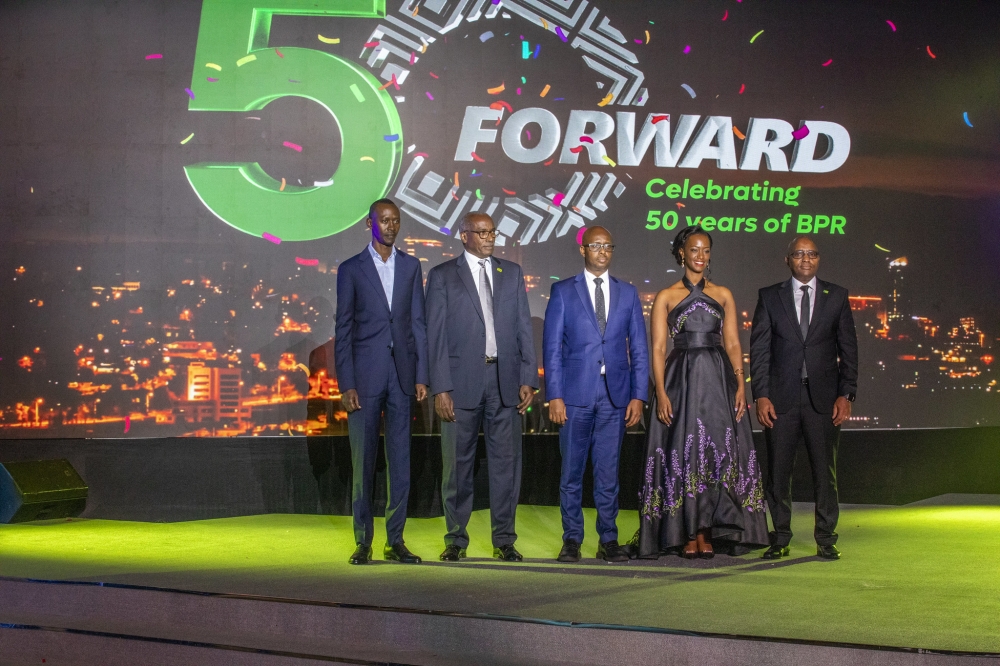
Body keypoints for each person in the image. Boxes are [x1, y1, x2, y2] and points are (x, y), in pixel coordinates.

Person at [631, 227, 768, 559]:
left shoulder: (723, 294)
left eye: (706, 251)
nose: (701, 257)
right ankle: (687, 532)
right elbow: (659, 347)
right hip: (681, 379)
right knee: (684, 450)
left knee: (718, 449)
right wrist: (661, 392)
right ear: (682, 253)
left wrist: (740, 384)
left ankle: (707, 530)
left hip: (719, 380)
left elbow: (733, 342)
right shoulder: (666, 296)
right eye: (694, 250)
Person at [425, 212, 538, 562]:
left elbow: (522, 327)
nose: (490, 237)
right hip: (460, 386)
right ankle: (455, 540)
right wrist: (440, 387)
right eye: (482, 232)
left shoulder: (511, 272)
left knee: (506, 467)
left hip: (504, 383)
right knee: (457, 469)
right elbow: (436, 336)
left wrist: (528, 377)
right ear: (464, 236)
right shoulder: (443, 275)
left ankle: (505, 540)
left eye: (493, 231)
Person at [543, 227, 648, 563]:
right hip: (574, 396)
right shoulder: (562, 291)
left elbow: (640, 350)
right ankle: (572, 539)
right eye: (596, 246)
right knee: (572, 473)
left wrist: (638, 395)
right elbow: (552, 349)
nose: (602, 251)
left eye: (608, 245)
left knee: (607, 473)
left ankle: (609, 539)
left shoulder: (628, 293)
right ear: (583, 250)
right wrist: (554, 395)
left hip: (615, 397)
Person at [750, 236, 858, 560]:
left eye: (811, 254)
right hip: (780, 400)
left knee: (825, 473)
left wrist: (846, 393)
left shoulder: (837, 296)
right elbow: (759, 351)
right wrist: (761, 395)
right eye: (799, 254)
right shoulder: (769, 297)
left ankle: (826, 539)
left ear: (819, 259)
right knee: (778, 474)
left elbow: (848, 349)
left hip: (824, 400)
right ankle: (780, 538)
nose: (806, 259)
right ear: (788, 260)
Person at [334, 199, 429, 565]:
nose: (391, 226)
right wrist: (347, 383)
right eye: (384, 220)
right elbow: (343, 328)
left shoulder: (410, 266)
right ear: (369, 222)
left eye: (395, 221)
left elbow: (417, 325)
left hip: (402, 377)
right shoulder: (352, 269)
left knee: (400, 461)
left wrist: (421, 375)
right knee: (364, 463)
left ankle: (396, 540)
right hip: (365, 377)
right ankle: (363, 541)